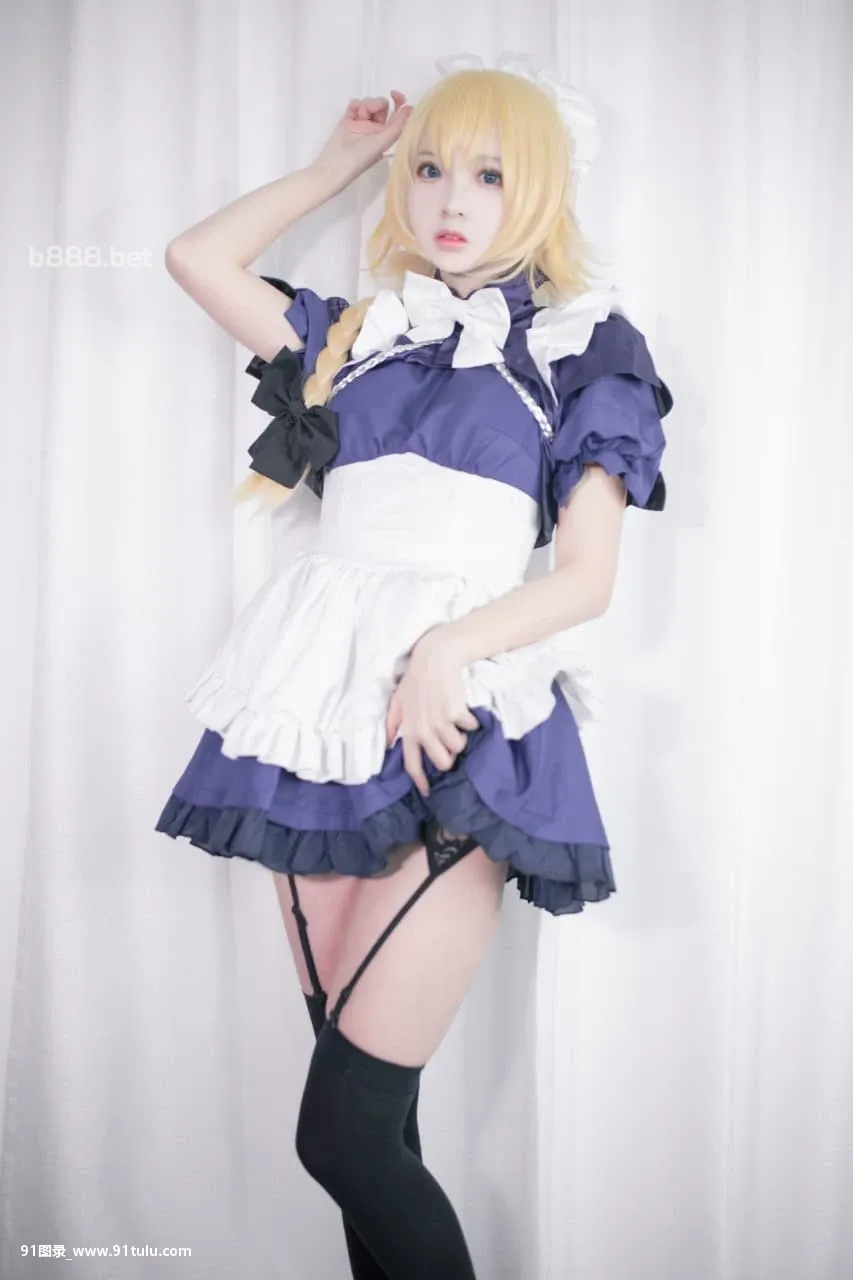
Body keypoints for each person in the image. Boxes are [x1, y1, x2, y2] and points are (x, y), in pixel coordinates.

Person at [155, 52, 673, 1280]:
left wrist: (446, 647)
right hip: (314, 716)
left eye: (489, 174)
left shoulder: (582, 347)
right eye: (430, 167)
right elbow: (195, 258)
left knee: (338, 1135)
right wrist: (337, 164)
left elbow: (585, 578)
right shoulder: (360, 334)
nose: (450, 197)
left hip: (457, 715)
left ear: (538, 186)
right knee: (377, 1134)